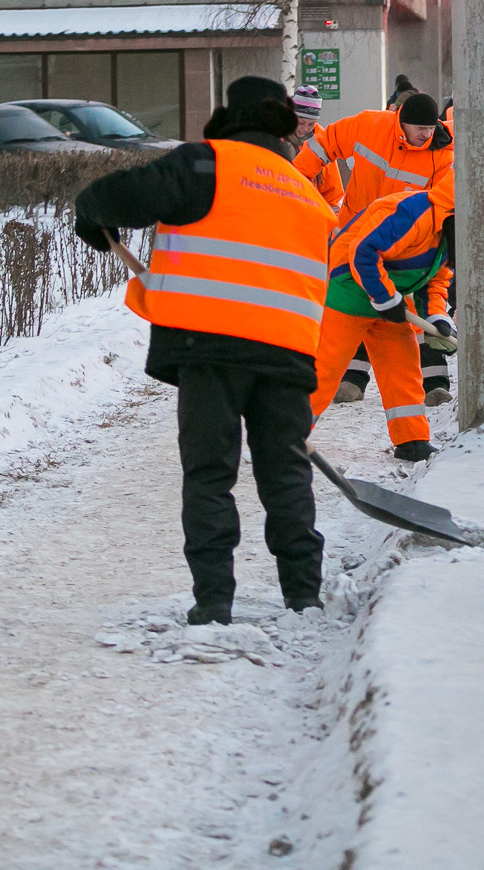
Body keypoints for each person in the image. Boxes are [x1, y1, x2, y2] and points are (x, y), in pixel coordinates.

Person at [73, 76, 335, 627]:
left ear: (226, 117)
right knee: (286, 475)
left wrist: (92, 217)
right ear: (284, 127)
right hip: (287, 355)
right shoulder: (306, 192)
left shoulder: (204, 163)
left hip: (211, 349)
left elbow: (110, 197)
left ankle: (214, 601)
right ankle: (303, 594)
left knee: (210, 475)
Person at [293, 93, 453, 404]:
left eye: (430, 128)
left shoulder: (442, 157)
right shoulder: (370, 126)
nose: (426, 134)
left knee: (405, 315)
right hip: (353, 238)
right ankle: (353, 377)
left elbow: (438, 214)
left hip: (404, 247)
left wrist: (437, 311)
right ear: (400, 121)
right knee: (353, 309)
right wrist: (297, 180)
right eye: (419, 128)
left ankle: (435, 380)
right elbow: (324, 144)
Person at [310, 173, 456, 463]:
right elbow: (363, 253)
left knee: (402, 369)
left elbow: (435, 279)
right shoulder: (411, 214)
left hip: (392, 302)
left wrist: (437, 317)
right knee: (323, 369)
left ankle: (412, 440)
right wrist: (384, 297)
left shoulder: (452, 231)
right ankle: (285, 436)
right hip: (348, 294)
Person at [291, 84, 341, 211]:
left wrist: (332, 227)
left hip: (313, 216)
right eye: (301, 122)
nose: (305, 128)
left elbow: (333, 193)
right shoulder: (277, 137)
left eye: (311, 124)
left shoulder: (324, 141)